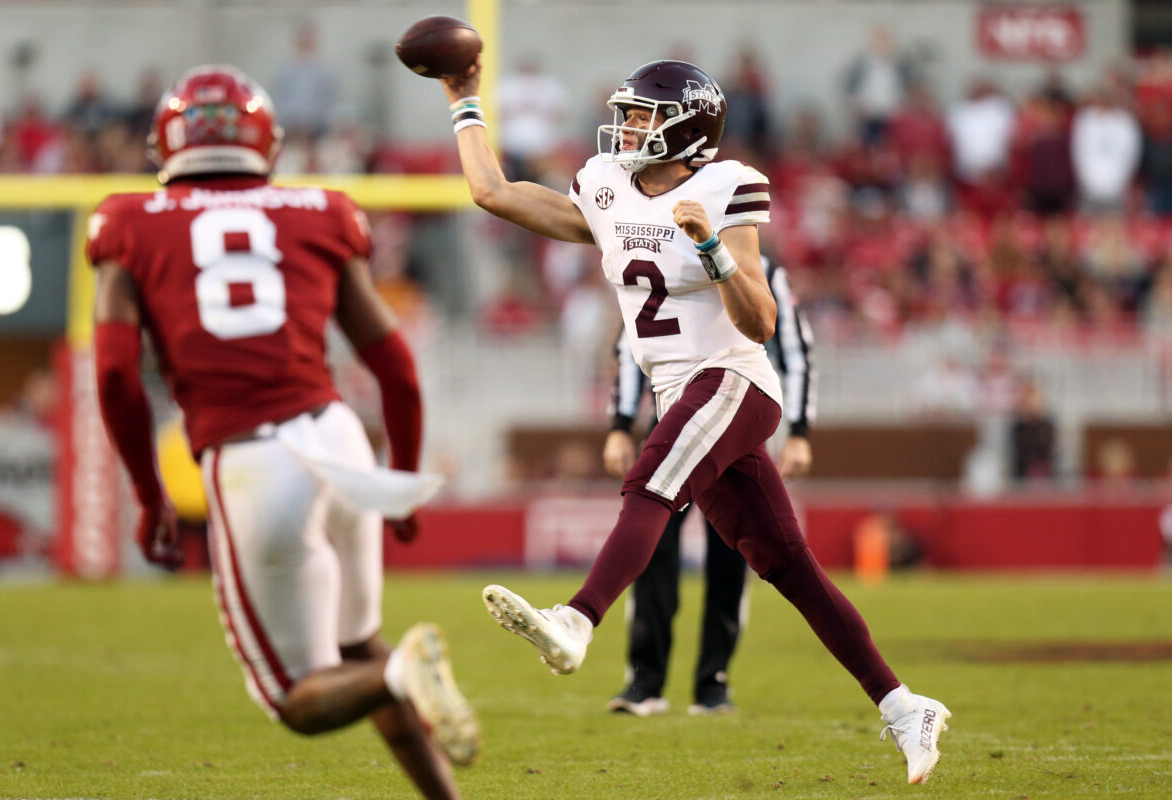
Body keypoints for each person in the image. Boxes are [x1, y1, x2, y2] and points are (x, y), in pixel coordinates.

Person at [436, 56, 951, 784]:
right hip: (680, 392)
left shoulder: (726, 186)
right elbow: (491, 192)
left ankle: (576, 621)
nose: (628, 126)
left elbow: (761, 319)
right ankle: (905, 706)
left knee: (649, 482)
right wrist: (464, 101)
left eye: (643, 115)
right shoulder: (605, 187)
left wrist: (709, 247)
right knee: (788, 567)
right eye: (629, 113)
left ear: (686, 127)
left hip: (734, 381)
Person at [88, 66, 477, 799]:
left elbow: (112, 374)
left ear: (164, 143)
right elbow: (396, 368)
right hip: (339, 442)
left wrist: (147, 493)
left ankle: (404, 672)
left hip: (254, 462)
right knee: (358, 643)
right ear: (266, 140)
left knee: (298, 699)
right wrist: (402, 482)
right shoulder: (321, 208)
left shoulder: (126, 221)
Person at [602, 256, 816, 717]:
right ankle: (645, 680)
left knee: (732, 555)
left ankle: (713, 682)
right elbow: (629, 343)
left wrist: (800, 430)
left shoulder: (767, 269)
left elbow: (797, 351)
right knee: (652, 547)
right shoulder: (661, 250)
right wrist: (620, 422)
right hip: (673, 419)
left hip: (733, 422)